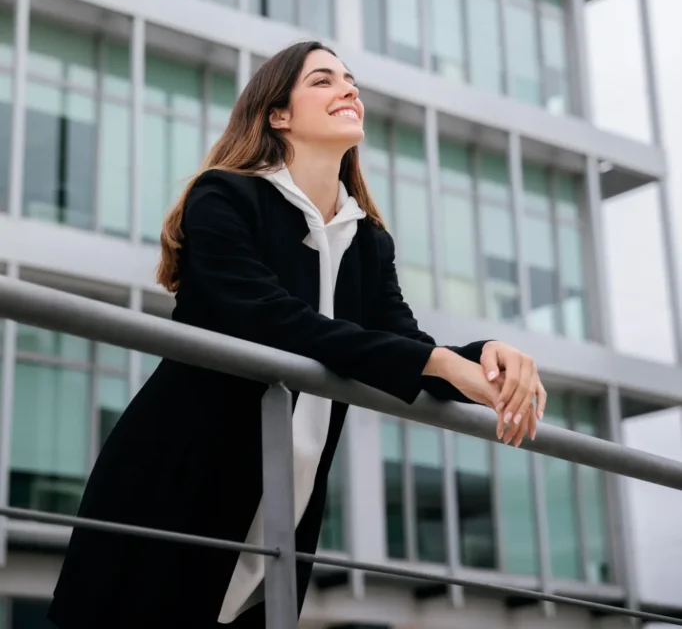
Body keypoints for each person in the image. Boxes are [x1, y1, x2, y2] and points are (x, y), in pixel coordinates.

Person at [48, 40, 546, 629]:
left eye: (351, 80)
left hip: (284, 511)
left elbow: (403, 345)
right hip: (173, 487)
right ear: (277, 114)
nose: (348, 89)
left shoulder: (367, 240)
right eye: (323, 80)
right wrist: (438, 362)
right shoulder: (223, 197)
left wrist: (485, 358)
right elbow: (273, 321)